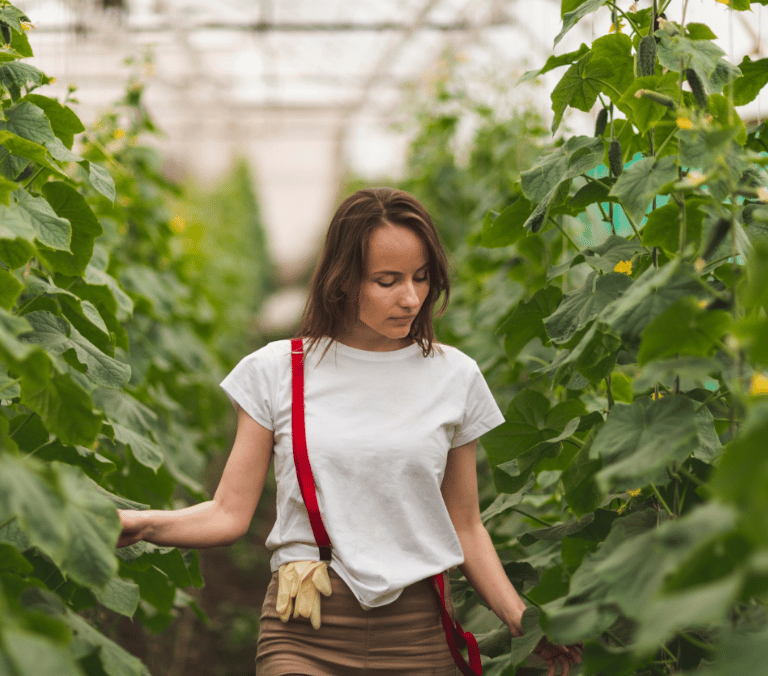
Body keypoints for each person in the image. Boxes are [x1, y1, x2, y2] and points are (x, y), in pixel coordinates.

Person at [117, 187, 582, 676]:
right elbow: (229, 514)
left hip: (417, 634)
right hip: (304, 628)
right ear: (343, 281)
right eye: (387, 281)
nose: (410, 298)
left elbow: (464, 524)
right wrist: (140, 524)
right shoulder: (279, 370)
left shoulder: (454, 376)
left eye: (421, 278)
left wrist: (521, 619)